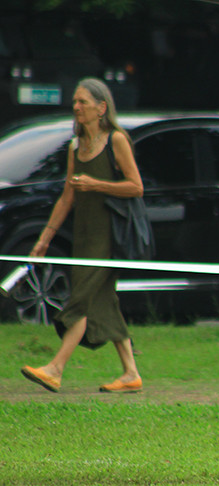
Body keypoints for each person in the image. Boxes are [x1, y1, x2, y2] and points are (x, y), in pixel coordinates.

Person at [20, 78, 144, 394]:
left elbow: (136, 187)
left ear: (101, 108)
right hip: (84, 234)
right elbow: (67, 197)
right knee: (103, 301)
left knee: (81, 300)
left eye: (83, 102)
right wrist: (45, 239)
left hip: (108, 235)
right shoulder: (76, 147)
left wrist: (97, 185)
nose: (76, 107)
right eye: (75, 101)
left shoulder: (117, 140)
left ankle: (56, 368)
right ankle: (131, 373)